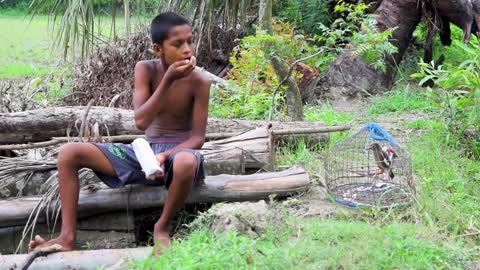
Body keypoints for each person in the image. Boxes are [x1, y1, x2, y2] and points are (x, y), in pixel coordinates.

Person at [28, 12, 211, 254]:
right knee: (69, 152)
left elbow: (197, 138)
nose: (187, 49)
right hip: (145, 154)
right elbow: (141, 121)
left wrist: (166, 156)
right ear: (158, 49)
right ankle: (67, 236)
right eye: (177, 44)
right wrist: (168, 80)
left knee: (186, 161)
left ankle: (162, 227)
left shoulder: (200, 81)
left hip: (179, 154)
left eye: (190, 41)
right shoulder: (145, 69)